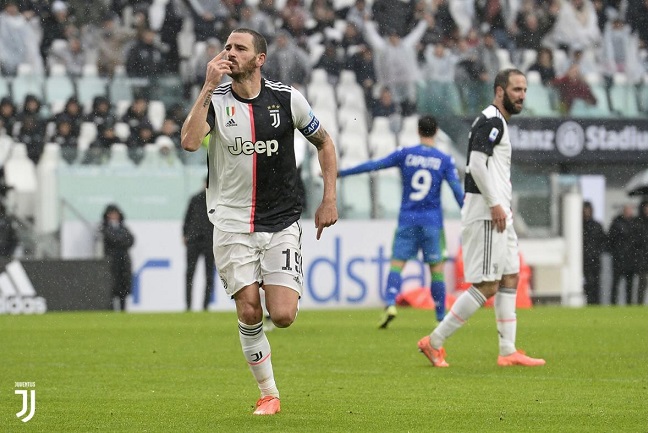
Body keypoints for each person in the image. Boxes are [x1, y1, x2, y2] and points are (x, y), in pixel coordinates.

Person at [180, 28, 338, 415]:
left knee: (282, 316)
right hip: (232, 222)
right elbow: (188, 141)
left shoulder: (286, 99)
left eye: (239, 48)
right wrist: (206, 86)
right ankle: (269, 393)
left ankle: (269, 283)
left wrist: (328, 197)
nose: (229, 53)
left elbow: (325, 143)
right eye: (227, 47)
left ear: (259, 59)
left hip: (281, 221)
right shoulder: (215, 100)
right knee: (250, 310)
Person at [417, 69, 546, 368]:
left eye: (524, 90)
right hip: (488, 212)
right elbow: (475, 163)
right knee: (487, 284)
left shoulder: (497, 122)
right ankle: (433, 342)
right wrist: (494, 204)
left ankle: (507, 350)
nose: (522, 95)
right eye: (516, 89)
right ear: (499, 91)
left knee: (511, 274)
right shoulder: (490, 120)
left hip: (500, 212)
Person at [338, 115, 464, 328]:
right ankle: (441, 316)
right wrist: (469, 214)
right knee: (436, 269)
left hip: (408, 219)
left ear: (418, 131)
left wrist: (341, 173)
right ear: (436, 132)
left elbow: (374, 165)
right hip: (432, 222)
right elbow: (457, 192)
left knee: (397, 264)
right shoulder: (444, 159)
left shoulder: (406, 154)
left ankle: (390, 304)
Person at [183, 179, 215, 311]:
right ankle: (189, 305)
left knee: (208, 275)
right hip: (195, 240)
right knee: (190, 273)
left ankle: (205, 306)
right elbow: (187, 218)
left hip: (209, 241)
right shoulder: (196, 199)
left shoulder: (217, 200)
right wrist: (185, 234)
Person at [101, 204, 135, 312]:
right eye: (111, 214)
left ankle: (123, 310)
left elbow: (131, 240)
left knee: (123, 288)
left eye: (115, 214)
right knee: (111, 288)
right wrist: (121, 241)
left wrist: (118, 240)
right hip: (111, 262)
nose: (114, 216)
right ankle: (110, 311)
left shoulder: (124, 228)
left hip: (123, 262)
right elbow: (111, 238)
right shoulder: (104, 228)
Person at [607, 204, 641, 305]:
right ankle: (613, 303)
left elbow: (638, 241)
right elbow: (610, 240)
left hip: (630, 259)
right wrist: (616, 252)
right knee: (615, 283)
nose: (628, 212)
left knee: (629, 285)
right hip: (619, 259)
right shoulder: (617, 223)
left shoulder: (635, 223)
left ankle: (629, 304)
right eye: (627, 210)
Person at [582, 201, 607, 305]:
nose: (586, 212)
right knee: (588, 282)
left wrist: (597, 251)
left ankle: (596, 302)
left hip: (595, 259)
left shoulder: (597, 225)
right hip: (584, 259)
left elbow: (604, 241)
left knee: (596, 283)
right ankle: (589, 302)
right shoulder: (579, 226)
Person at [637, 200, 648, 305]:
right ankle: (639, 304)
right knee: (642, 284)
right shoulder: (639, 223)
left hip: (643, 257)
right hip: (643, 259)